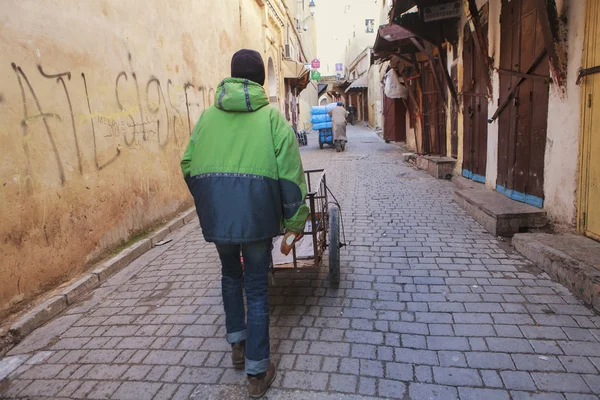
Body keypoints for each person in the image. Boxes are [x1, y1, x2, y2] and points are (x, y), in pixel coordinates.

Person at [181, 49, 309, 398]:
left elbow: (188, 163)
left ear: (233, 76)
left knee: (229, 275)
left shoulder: (207, 118)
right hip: (256, 218)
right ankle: (256, 372)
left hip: (220, 219)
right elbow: (291, 175)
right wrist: (295, 219)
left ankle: (237, 344)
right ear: (260, 80)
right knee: (255, 287)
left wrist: (211, 200)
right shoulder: (272, 119)